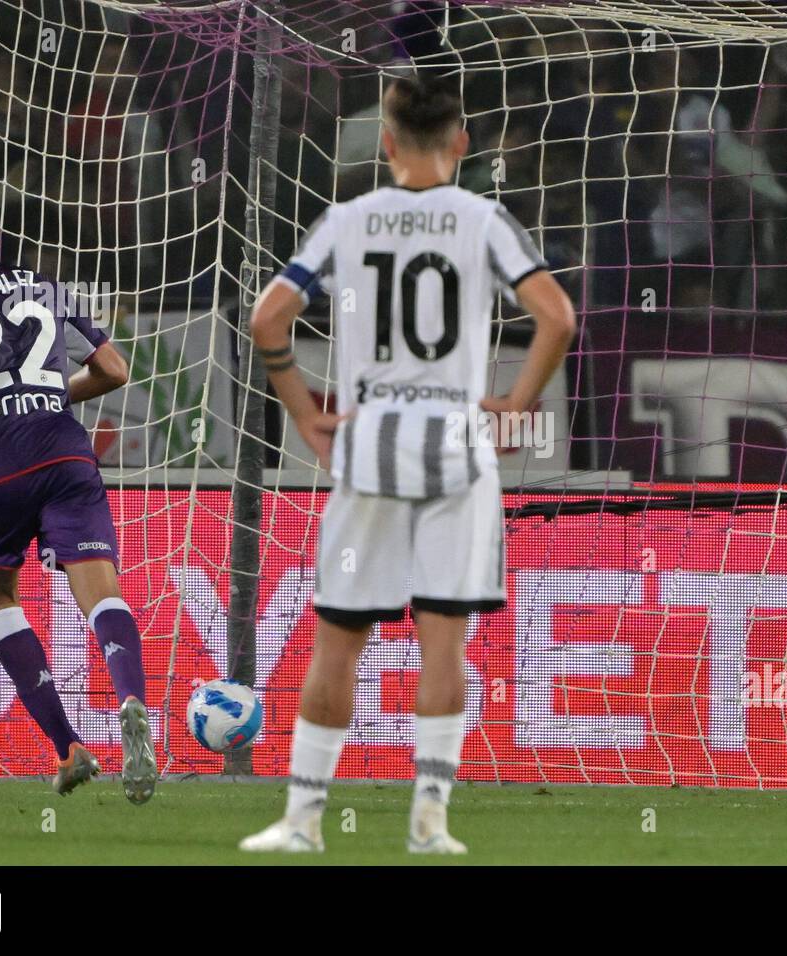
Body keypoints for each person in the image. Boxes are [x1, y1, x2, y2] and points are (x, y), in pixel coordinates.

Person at [241, 72, 576, 854]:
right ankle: (430, 819)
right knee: (442, 641)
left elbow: (267, 318)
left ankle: (302, 819)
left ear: (386, 144)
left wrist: (302, 410)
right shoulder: (484, 219)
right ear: (460, 146)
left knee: (337, 643)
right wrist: (518, 402)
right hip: (457, 450)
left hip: (370, 448)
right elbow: (557, 316)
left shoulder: (347, 219)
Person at [0, 180, 157, 803]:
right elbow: (115, 369)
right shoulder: (44, 286)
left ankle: (67, 746)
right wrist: (44, 392)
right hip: (65, 450)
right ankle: (131, 701)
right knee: (101, 589)